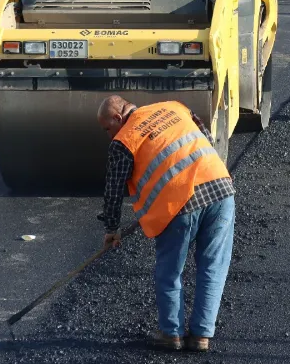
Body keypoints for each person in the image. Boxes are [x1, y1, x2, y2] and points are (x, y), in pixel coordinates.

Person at [98, 96, 235, 353]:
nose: (108, 135)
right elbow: (205, 136)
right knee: (213, 267)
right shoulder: (175, 107)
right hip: (221, 190)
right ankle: (201, 336)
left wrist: (112, 229)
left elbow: (114, 189)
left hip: (179, 205)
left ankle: (171, 334)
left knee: (170, 271)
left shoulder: (123, 140)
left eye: (107, 128)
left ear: (117, 118)